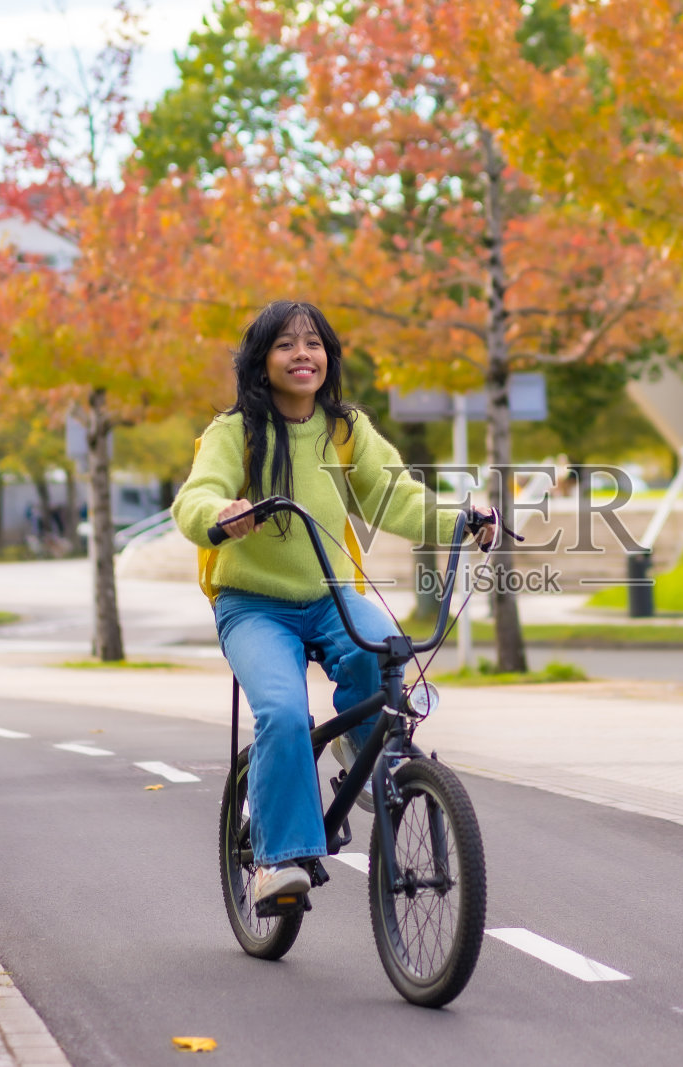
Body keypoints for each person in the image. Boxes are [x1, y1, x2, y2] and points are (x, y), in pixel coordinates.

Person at [172, 300, 494, 907]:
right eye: (286, 345)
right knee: (285, 714)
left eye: (314, 343)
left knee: (385, 656)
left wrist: (462, 519)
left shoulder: (346, 429)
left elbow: (392, 498)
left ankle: (356, 742)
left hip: (333, 597)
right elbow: (196, 498)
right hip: (253, 605)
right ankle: (279, 860)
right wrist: (221, 513)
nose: (302, 355)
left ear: (329, 357)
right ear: (260, 361)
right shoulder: (235, 431)